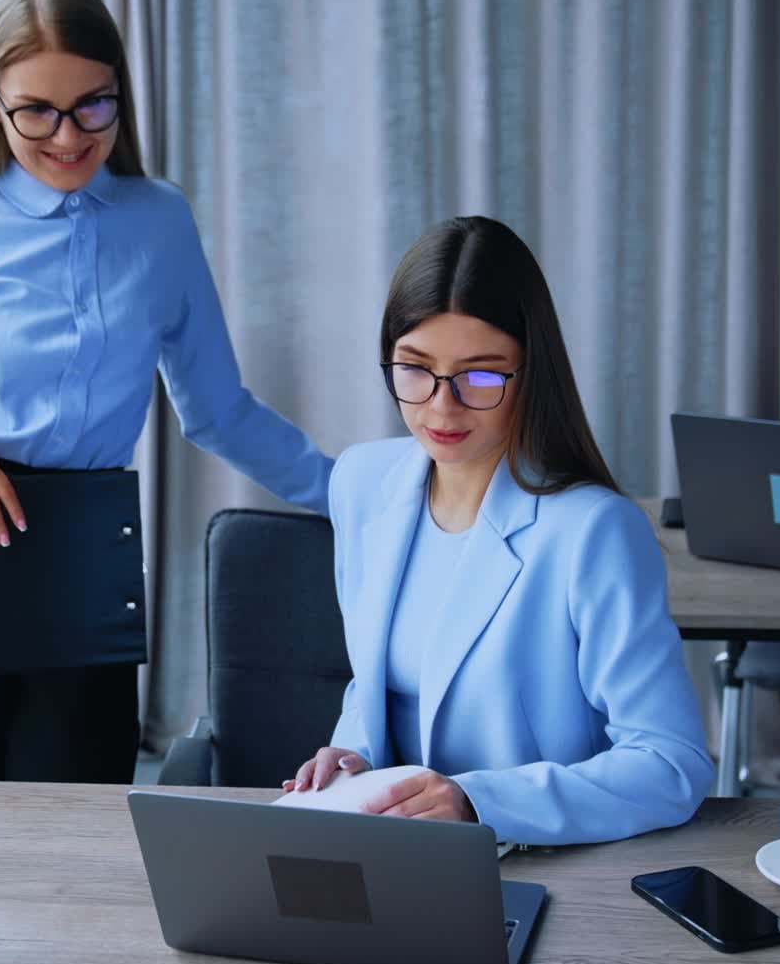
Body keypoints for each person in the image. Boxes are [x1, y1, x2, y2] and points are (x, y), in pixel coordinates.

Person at [0, 0, 333, 786]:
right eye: (36, 110)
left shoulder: (160, 221)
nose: (69, 136)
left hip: (78, 572)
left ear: (120, 95)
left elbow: (218, 412)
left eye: (92, 105)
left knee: (79, 858)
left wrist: (356, 495)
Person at [284, 216, 713, 845]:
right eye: (414, 368)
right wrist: (355, 757)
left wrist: (477, 801)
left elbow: (672, 763)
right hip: (393, 852)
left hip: (537, 860)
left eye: (481, 377)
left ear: (531, 373)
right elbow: (378, 683)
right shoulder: (361, 481)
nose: (441, 406)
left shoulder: (593, 530)